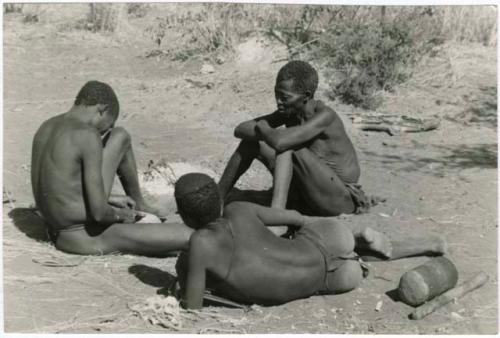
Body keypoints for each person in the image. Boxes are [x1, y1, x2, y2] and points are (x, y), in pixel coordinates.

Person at [174, 173, 446, 309]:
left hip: (335, 281)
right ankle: (364, 240)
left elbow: (193, 306)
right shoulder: (239, 209)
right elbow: (294, 217)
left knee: (355, 264)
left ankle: (359, 255)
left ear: (184, 215)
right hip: (328, 235)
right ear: (220, 200)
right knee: (337, 247)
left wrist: (184, 271)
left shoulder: (201, 244)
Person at [31, 81, 193, 255]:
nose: (110, 128)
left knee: (119, 136)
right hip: (83, 236)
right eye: (111, 122)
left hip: (56, 228)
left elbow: (63, 184)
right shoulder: (87, 134)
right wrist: (123, 215)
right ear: (102, 110)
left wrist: (111, 199)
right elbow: (99, 214)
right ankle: (139, 211)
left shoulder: (46, 126)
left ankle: (140, 203)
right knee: (189, 236)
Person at [218, 61, 370, 235]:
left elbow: (281, 143)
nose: (278, 102)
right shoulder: (290, 113)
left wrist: (264, 127)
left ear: (305, 96)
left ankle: (277, 217)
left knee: (288, 145)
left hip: (339, 199)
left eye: (285, 97)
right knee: (252, 143)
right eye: (276, 95)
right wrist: (265, 129)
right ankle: (217, 199)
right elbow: (240, 129)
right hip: (309, 195)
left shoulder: (325, 116)